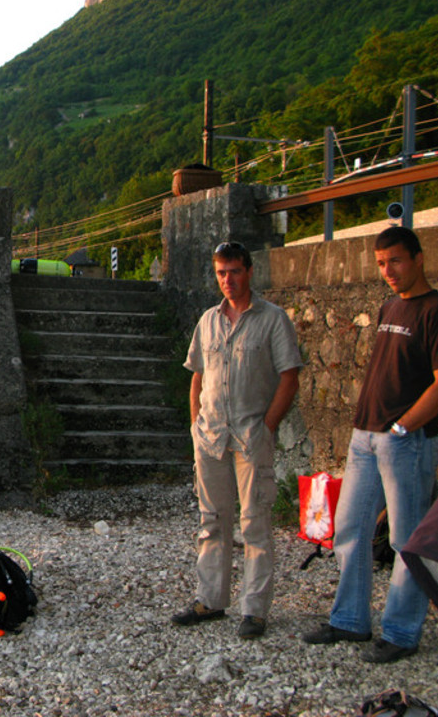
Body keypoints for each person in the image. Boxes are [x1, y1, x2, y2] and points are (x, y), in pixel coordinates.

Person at [303, 225, 438, 663]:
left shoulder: (436, 310)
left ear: (418, 258)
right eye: (382, 263)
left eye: (396, 261)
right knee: (350, 528)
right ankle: (350, 620)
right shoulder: (389, 306)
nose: (388, 271)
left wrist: (403, 427)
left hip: (407, 440)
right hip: (365, 435)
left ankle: (401, 632)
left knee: (405, 540)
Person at [173, 241, 302, 639]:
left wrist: (268, 427)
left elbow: (289, 377)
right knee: (212, 520)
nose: (227, 280)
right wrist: (195, 425)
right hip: (210, 436)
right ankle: (210, 599)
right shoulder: (208, 320)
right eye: (221, 273)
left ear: (249, 272)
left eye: (234, 271)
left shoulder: (273, 320)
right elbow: (197, 374)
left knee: (255, 523)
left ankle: (255, 610)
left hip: (250, 436)